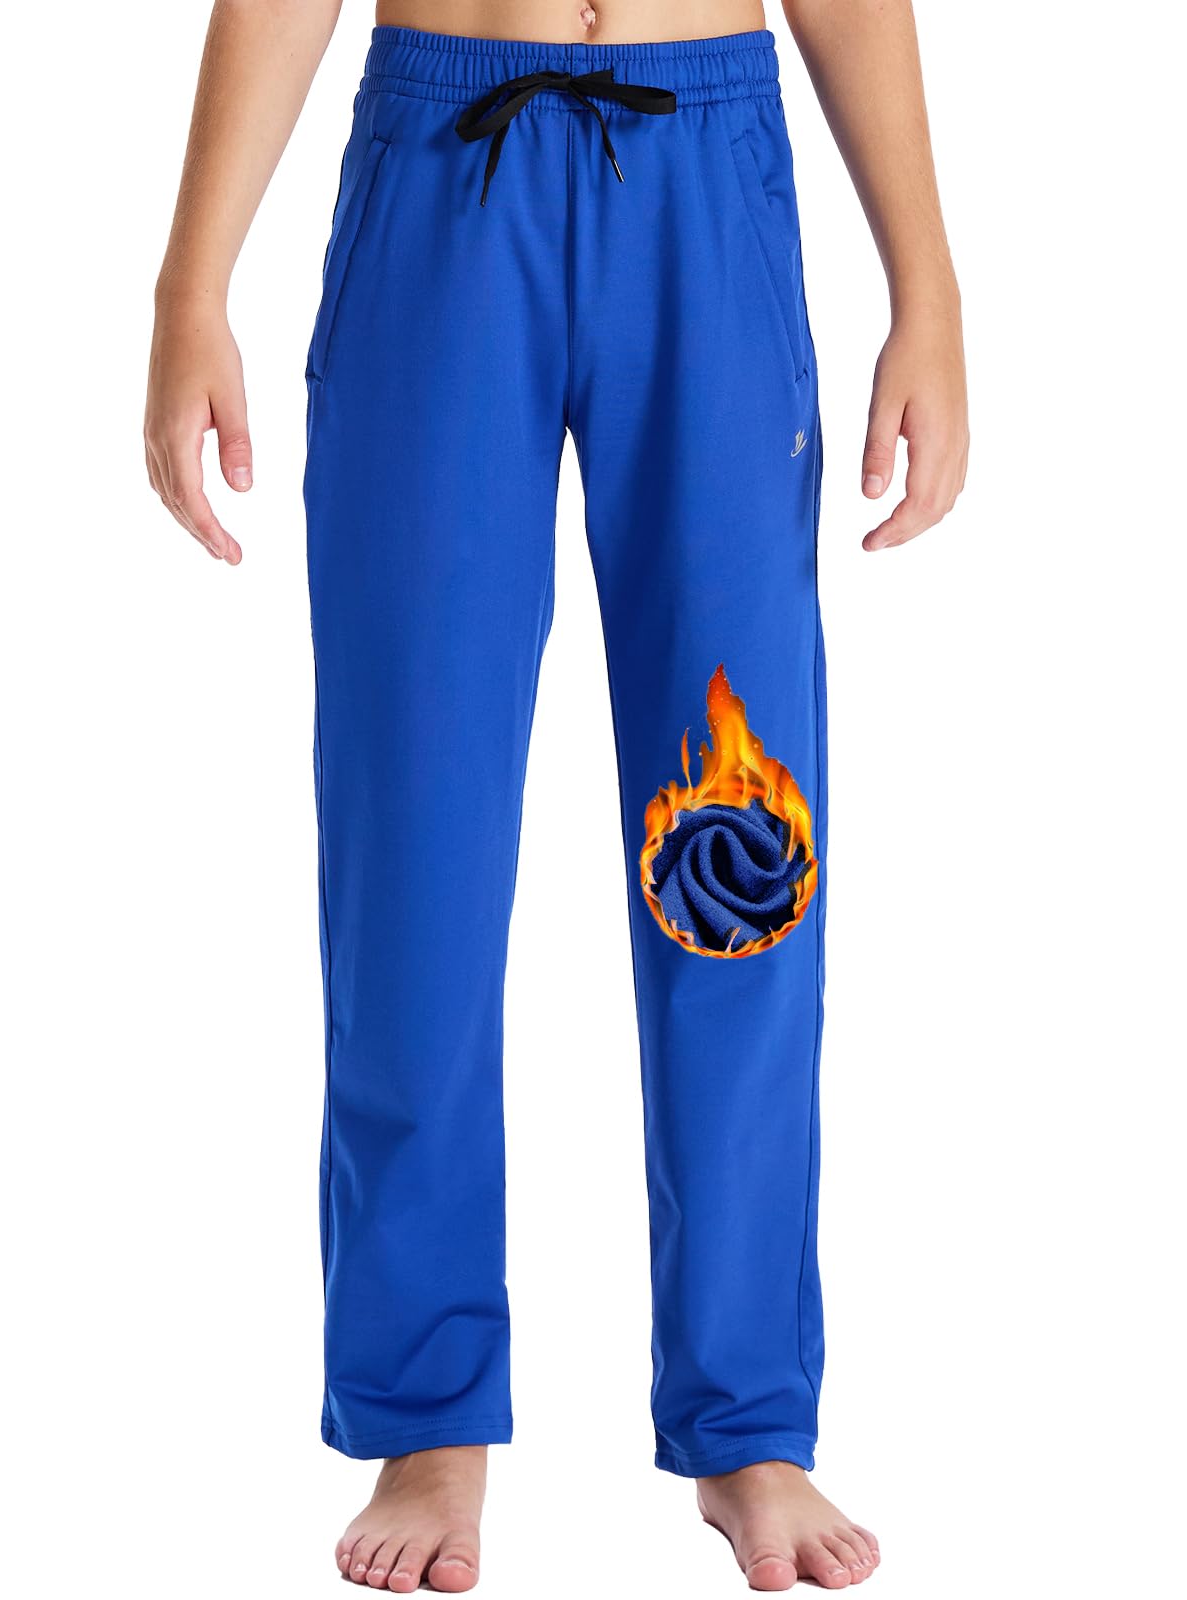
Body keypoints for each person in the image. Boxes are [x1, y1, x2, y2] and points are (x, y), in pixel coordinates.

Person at [145, 0, 967, 1589]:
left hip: (707, 172)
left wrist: (924, 287)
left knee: (737, 848)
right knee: (416, 842)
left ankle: (747, 1415)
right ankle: (425, 1411)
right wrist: (193, 285)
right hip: (440, 171)